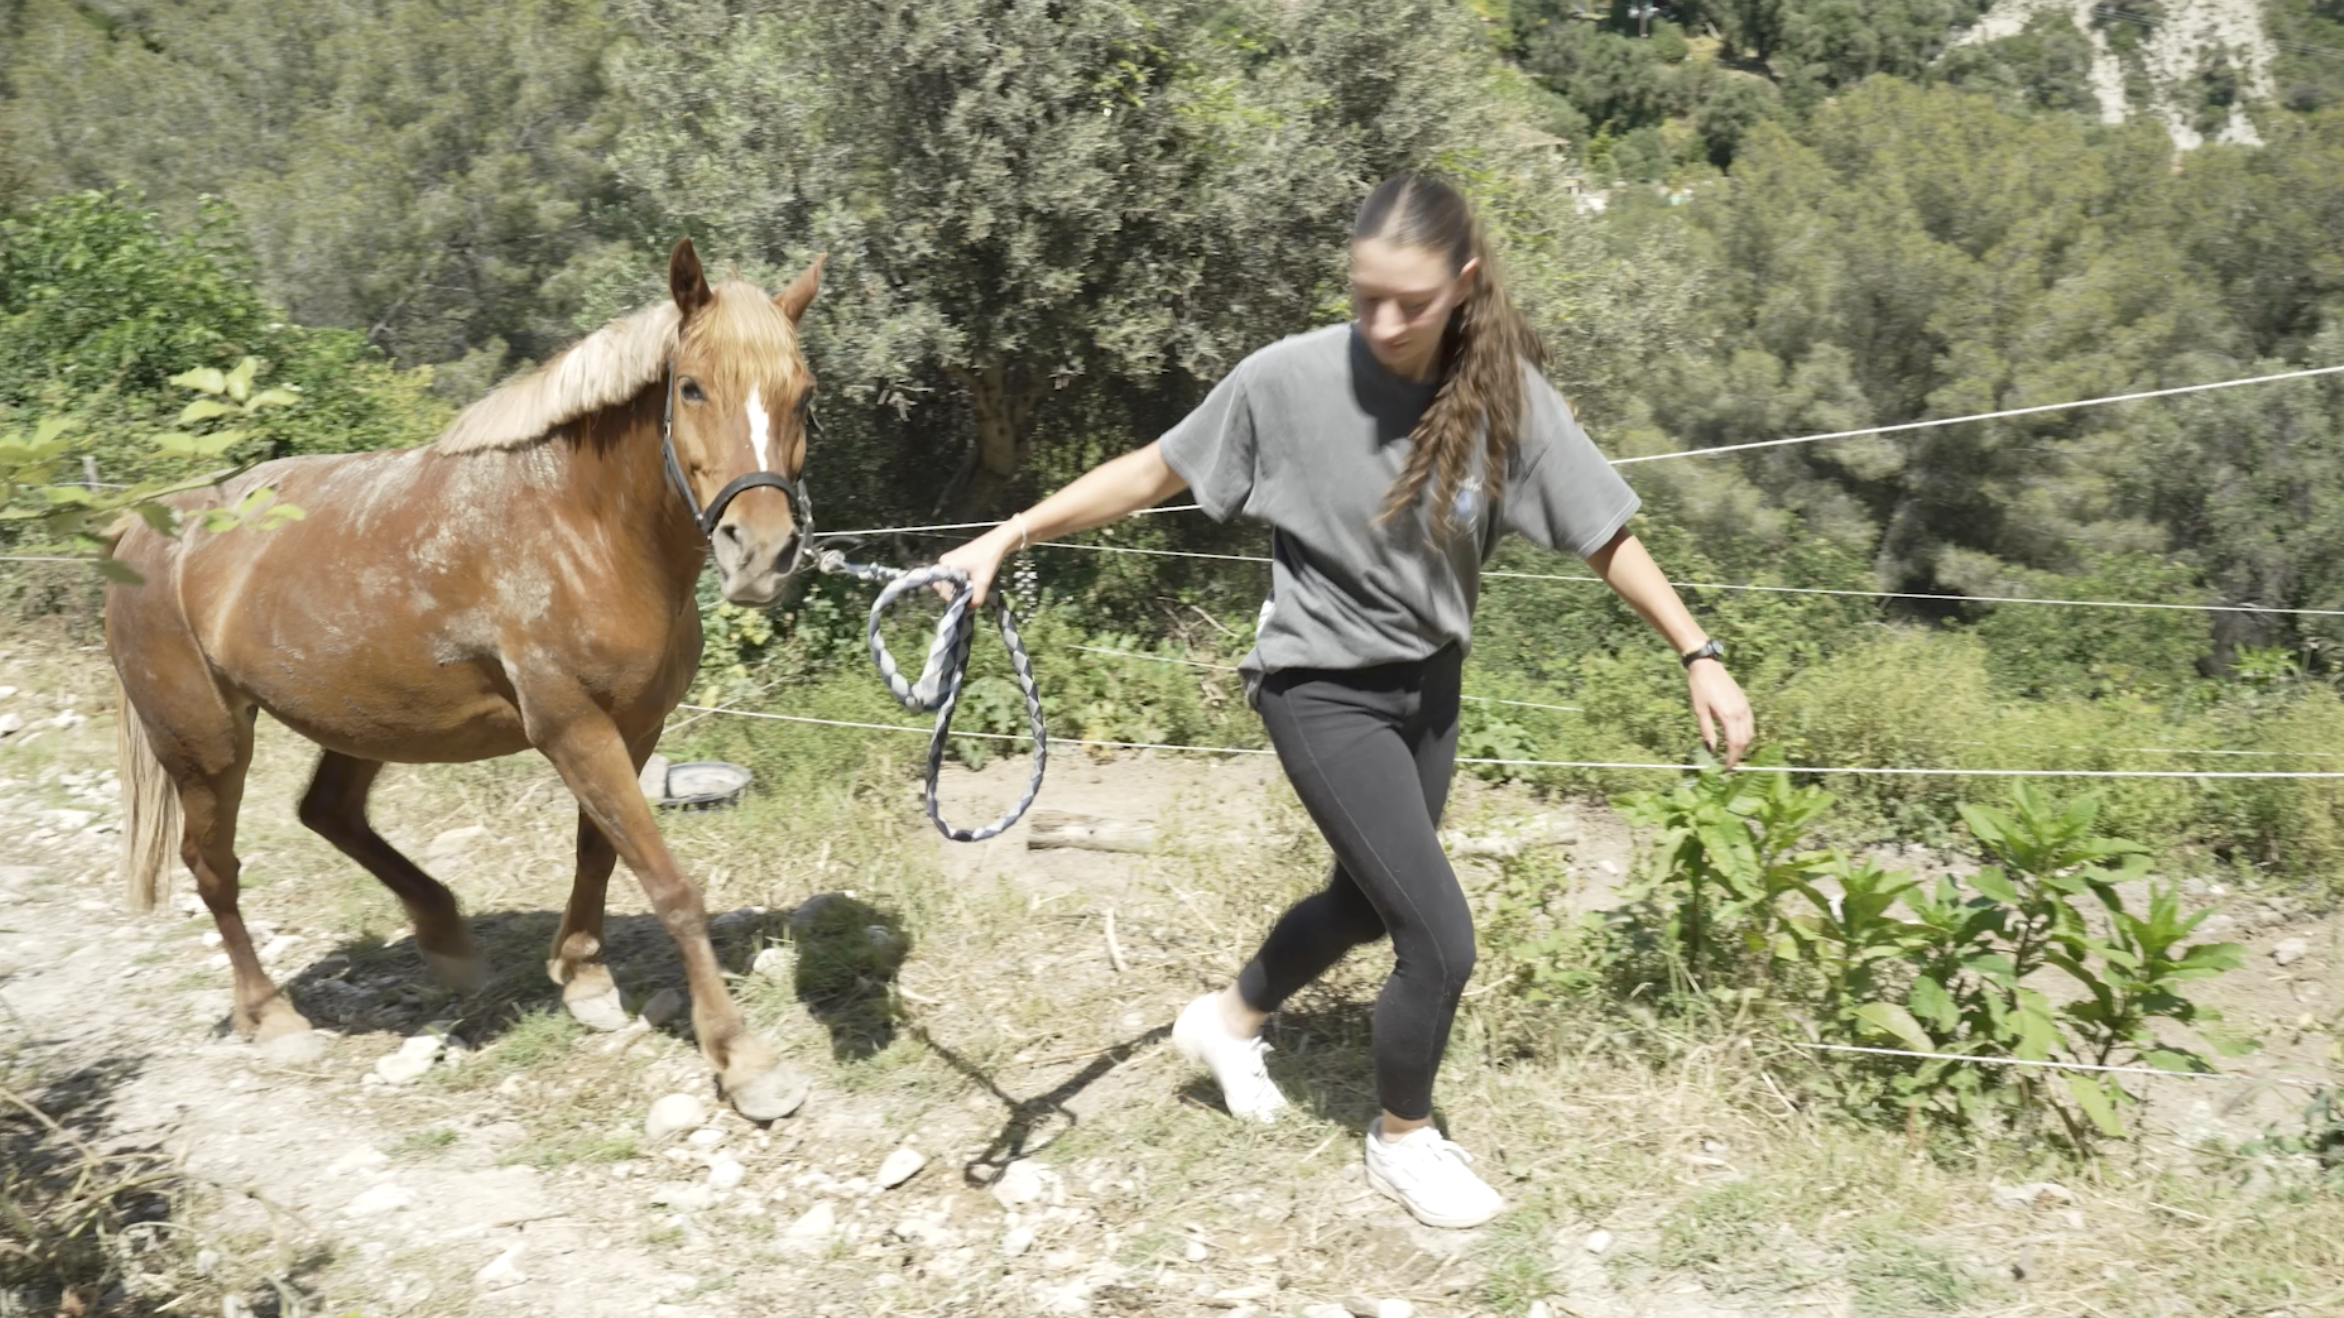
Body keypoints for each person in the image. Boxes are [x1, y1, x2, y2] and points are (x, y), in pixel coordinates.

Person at [938, 173, 1753, 1229]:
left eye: (1408, 302)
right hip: (1319, 687)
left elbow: (1603, 530)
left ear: (1463, 285)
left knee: (1370, 903)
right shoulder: (1285, 379)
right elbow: (1153, 471)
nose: (1381, 322)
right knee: (1440, 938)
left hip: (1431, 687)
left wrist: (1698, 650)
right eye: (1364, 295)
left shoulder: (1504, 395)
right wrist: (1008, 533)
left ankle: (1224, 1023)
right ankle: (1402, 1140)